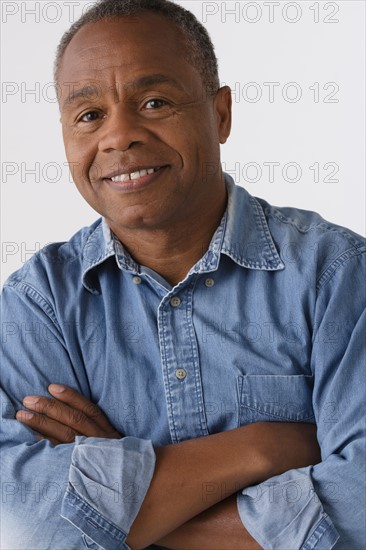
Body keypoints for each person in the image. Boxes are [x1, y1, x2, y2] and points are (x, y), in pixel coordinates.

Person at [1, 0, 365, 548]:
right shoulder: (39, 304)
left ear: (220, 114)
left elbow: (359, 505)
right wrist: (263, 448)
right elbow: (25, 525)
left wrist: (126, 502)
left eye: (154, 101)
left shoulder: (336, 276)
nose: (119, 135)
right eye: (89, 114)